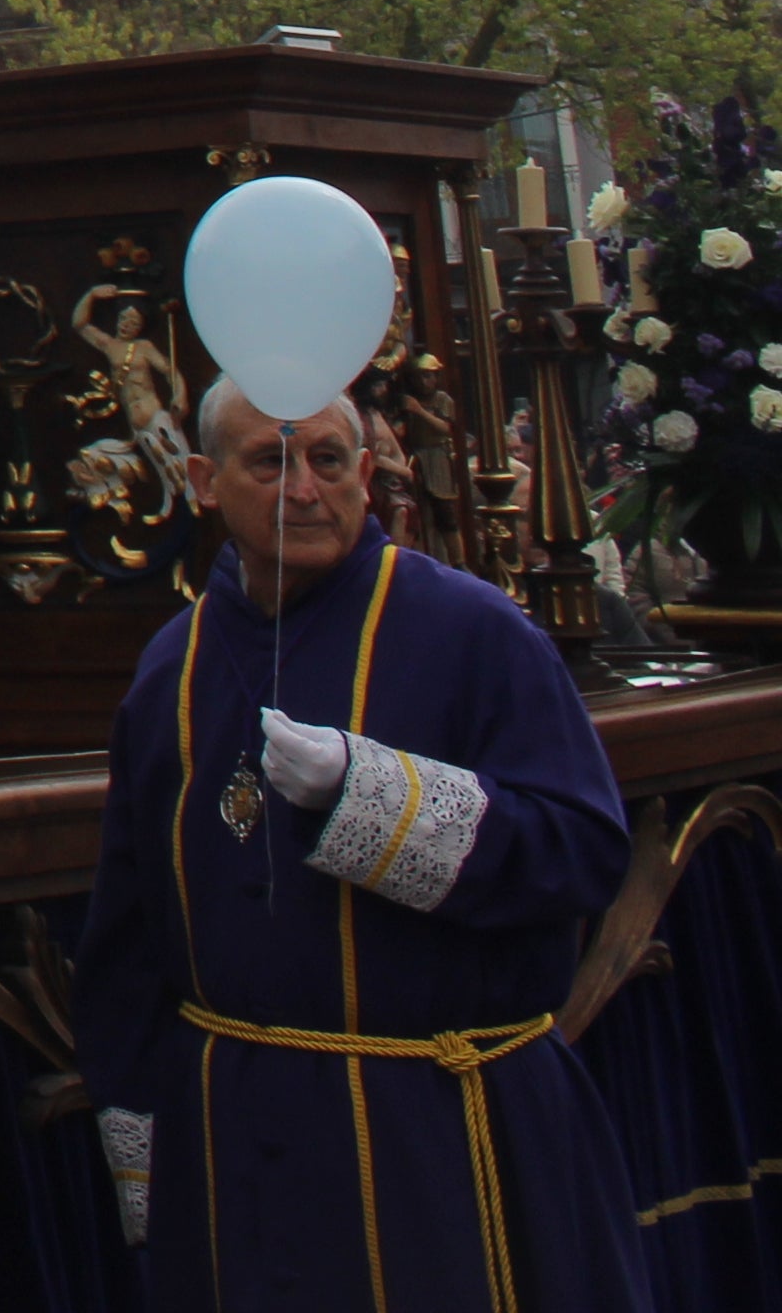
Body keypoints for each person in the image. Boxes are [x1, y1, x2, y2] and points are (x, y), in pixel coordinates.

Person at [72, 377, 645, 1307]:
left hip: (438, 1136)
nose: (304, 489)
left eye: (329, 461)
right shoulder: (171, 665)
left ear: (368, 475)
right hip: (232, 1146)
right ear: (201, 481)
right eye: (270, 461)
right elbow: (127, 933)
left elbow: (583, 851)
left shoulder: (477, 632)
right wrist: (144, 1149)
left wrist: (374, 800)